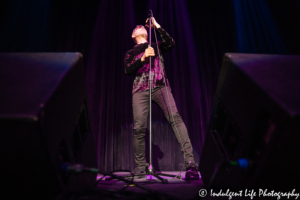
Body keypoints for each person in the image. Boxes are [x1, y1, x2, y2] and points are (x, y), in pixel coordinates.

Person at [124, 17, 199, 180]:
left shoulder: (156, 46)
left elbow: (170, 42)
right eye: (136, 27)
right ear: (133, 36)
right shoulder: (130, 53)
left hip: (160, 86)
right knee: (139, 128)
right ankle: (140, 167)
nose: (139, 26)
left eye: (141, 26)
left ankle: (191, 164)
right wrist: (142, 58)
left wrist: (157, 26)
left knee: (175, 118)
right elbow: (128, 70)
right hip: (140, 90)